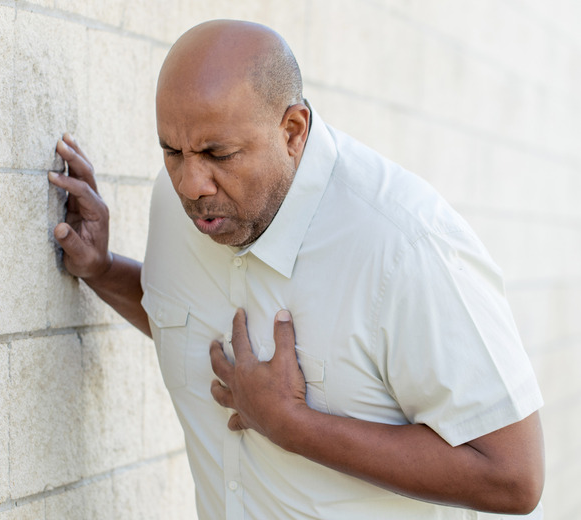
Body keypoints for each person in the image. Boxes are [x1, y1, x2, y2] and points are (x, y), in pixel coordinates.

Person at [48, 19, 545, 519]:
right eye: (172, 152)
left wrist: (293, 425)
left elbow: (513, 477)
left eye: (219, 153)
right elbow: (189, 321)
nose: (191, 183)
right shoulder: (184, 203)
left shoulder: (406, 244)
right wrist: (102, 269)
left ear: (292, 131)